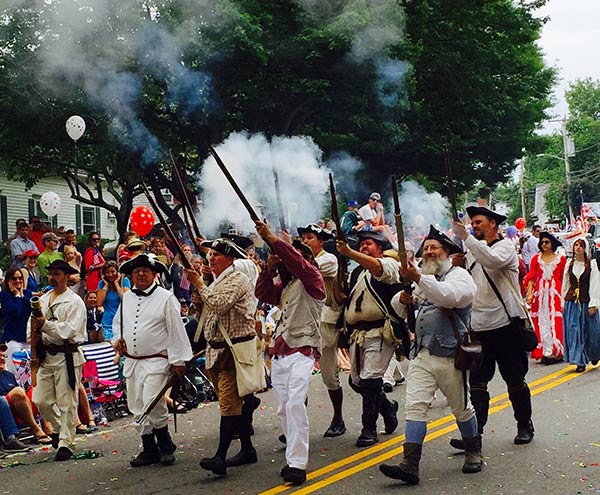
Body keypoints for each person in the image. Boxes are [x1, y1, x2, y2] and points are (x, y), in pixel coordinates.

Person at [379, 226, 481, 484]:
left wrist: (418, 278)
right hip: (422, 353)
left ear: (447, 252)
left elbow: (449, 297)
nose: (429, 252)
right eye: (426, 249)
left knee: (461, 408)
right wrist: (404, 298)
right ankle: (410, 464)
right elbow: (397, 309)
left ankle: (473, 451)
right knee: (414, 406)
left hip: (450, 355)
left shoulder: (459, 276)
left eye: (434, 248)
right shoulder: (423, 277)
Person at [451, 205, 534, 447]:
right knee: (477, 382)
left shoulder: (504, 247)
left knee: (514, 378)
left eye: (478, 222)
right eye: (472, 223)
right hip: (479, 326)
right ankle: (475, 433)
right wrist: (458, 265)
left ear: (493, 224)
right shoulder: (472, 251)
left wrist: (466, 239)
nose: (473, 226)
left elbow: (491, 259)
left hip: (506, 325)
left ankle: (524, 424)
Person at [255, 222, 324, 486]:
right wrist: (269, 266)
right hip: (282, 352)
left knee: (295, 403)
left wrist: (272, 239)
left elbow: (298, 263)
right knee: (284, 409)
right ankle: (291, 458)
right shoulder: (285, 287)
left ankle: (297, 463)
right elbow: (261, 292)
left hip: (302, 349)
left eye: (297, 255)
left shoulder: (312, 279)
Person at [184, 238, 257, 477]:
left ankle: (220, 457)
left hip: (232, 351)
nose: (210, 258)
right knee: (234, 404)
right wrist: (199, 296)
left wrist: (199, 285)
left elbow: (220, 303)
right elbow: (206, 312)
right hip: (216, 350)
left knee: (227, 404)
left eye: (216, 255)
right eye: (210, 254)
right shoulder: (218, 280)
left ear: (230, 258)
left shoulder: (237, 279)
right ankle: (247, 449)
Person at [113, 253, 192, 467]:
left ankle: (165, 445)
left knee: (152, 400)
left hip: (157, 360)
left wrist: (179, 361)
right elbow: (118, 323)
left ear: (154, 274)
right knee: (136, 404)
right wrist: (117, 340)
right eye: (136, 272)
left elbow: (177, 331)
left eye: (145, 271)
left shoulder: (166, 298)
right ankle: (149, 448)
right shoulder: (127, 297)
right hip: (132, 361)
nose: (140, 275)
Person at [335, 230, 403, 448]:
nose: (363, 247)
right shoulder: (356, 273)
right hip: (358, 333)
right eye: (361, 244)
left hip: (380, 331)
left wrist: (350, 253)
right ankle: (388, 408)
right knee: (357, 382)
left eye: (368, 244)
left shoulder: (389, 264)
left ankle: (368, 429)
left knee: (371, 380)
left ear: (380, 248)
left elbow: (379, 269)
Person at [29, 259, 87, 461]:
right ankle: (60, 429)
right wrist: (34, 348)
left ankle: (66, 443)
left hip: (67, 355)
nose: (53, 277)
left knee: (67, 401)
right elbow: (33, 327)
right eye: (51, 273)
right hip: (47, 355)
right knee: (40, 400)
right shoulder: (43, 300)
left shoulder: (74, 301)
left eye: (57, 274)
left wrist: (45, 325)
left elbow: (69, 330)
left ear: (67, 276)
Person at [298, 223, 346, 438]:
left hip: (325, 321)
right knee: (298, 375)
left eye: (310, 237)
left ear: (321, 241)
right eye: (304, 238)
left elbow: (308, 270)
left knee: (329, 375)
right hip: (304, 320)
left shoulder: (328, 259)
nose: (306, 241)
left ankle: (338, 418)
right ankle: (297, 424)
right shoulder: (300, 260)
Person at [524, 231, 567, 364]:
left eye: (546, 242)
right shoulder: (536, 259)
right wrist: (530, 293)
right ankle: (544, 351)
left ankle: (557, 351)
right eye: (542, 242)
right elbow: (531, 277)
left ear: (552, 243)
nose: (544, 244)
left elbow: (564, 278)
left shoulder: (561, 259)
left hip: (556, 293)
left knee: (555, 321)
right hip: (541, 293)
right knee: (541, 321)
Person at [0, 344, 53, 444]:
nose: (2, 359)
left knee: (36, 390)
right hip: (5, 408)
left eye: (3, 356)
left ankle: (47, 426)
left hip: (19, 406)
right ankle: (36, 429)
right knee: (18, 392)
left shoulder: (8, 375)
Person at [562, 238, 600, 372]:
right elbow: (565, 283)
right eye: (576, 245)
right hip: (572, 303)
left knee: (591, 332)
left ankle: (594, 354)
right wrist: (563, 303)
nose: (578, 247)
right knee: (574, 331)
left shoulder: (592, 264)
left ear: (585, 248)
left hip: (586, 302)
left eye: (581, 245)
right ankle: (579, 361)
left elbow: (595, 283)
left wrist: (593, 303)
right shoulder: (569, 264)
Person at [0, 266, 33, 378]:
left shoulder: (27, 294)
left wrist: (22, 295)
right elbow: (15, 311)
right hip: (13, 338)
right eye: (14, 278)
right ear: (8, 280)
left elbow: (27, 311)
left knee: (27, 374)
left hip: (27, 339)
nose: (18, 281)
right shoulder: (4, 296)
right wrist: (17, 296)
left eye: (20, 278)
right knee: (15, 373)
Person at [96, 261, 130, 341]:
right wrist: (105, 286)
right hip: (108, 321)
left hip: (122, 320)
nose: (110, 275)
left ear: (117, 272)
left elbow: (125, 299)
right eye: (107, 272)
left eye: (113, 271)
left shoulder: (124, 281)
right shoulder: (101, 283)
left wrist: (116, 284)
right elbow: (99, 303)